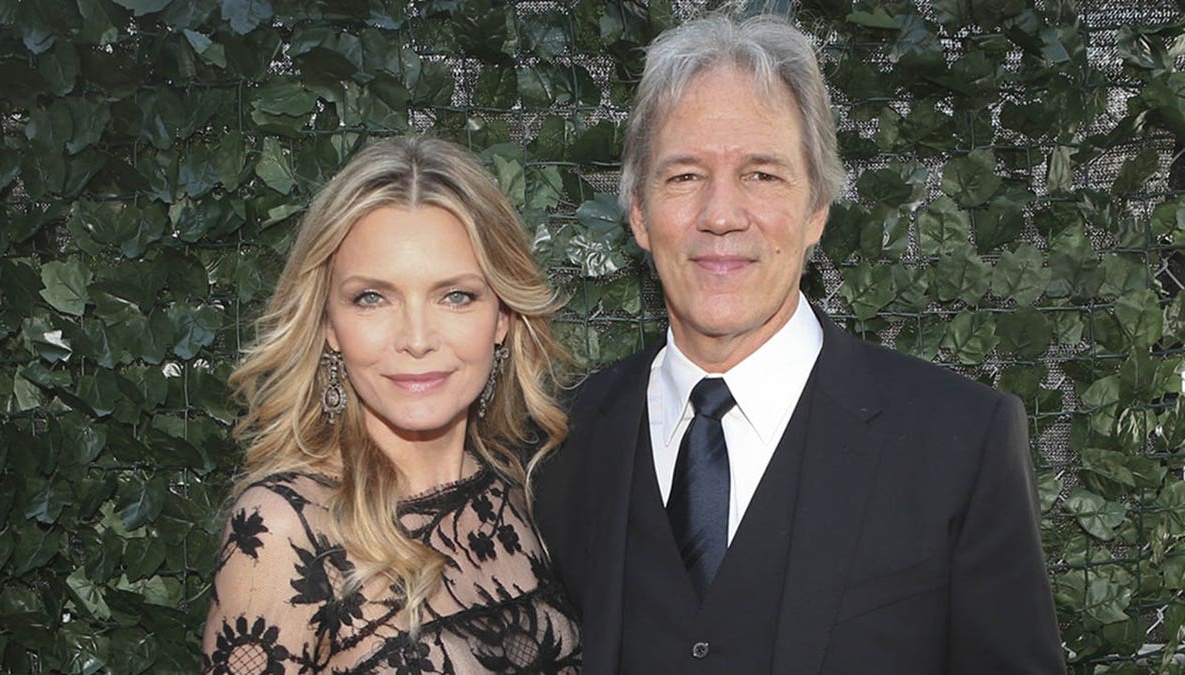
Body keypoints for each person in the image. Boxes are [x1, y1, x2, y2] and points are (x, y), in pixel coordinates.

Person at [533, 13, 1065, 674]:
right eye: (684, 176)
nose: (721, 215)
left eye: (762, 174)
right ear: (639, 212)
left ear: (817, 208)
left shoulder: (961, 443)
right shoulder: (561, 437)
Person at [202, 136, 581, 673]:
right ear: (329, 323)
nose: (417, 338)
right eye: (372, 298)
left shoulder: (525, 490)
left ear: (502, 316)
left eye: (456, 295)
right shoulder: (287, 528)